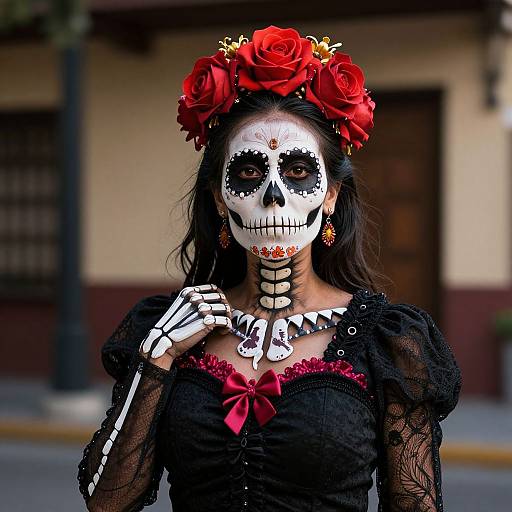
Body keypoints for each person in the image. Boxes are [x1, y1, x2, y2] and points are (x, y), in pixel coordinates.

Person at [78, 25, 461, 512]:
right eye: (249, 174)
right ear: (220, 198)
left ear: (330, 195)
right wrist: (156, 359)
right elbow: (106, 503)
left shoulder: (387, 342)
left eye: (298, 172)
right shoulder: (169, 328)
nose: (274, 195)